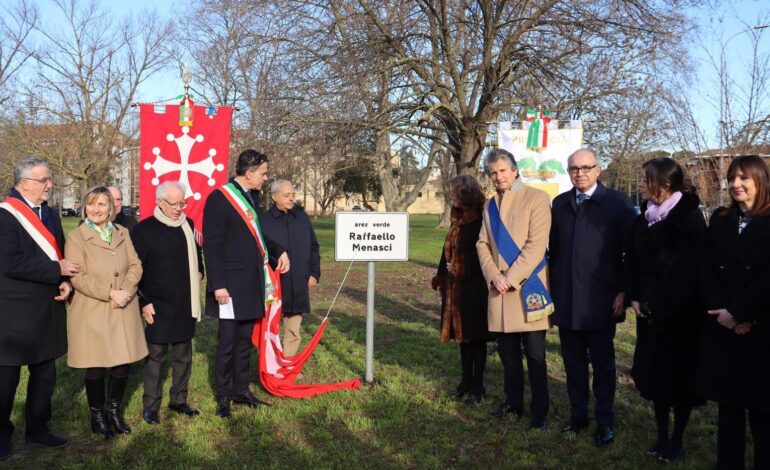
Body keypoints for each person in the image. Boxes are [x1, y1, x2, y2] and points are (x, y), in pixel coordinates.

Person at [548, 148, 635, 445]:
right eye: (574, 168)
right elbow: (554, 252)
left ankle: (605, 421)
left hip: (601, 301)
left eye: (586, 167)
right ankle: (578, 417)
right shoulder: (559, 204)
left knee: (603, 366)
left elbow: (631, 253)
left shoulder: (618, 204)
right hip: (567, 300)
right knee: (572, 365)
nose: (580, 173)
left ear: (599, 170)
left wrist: (624, 290)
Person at [627, 158, 706, 463]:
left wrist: (659, 306)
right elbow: (632, 262)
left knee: (679, 382)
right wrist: (636, 298)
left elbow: (689, 273)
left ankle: (677, 439)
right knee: (657, 380)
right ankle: (661, 437)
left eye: (646, 179)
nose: (641, 185)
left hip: (680, 318)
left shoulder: (689, 220)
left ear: (664, 185)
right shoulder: (644, 219)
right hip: (648, 316)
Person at [0, 158, 78, 459]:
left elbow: (57, 253)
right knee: (6, 379)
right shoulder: (5, 215)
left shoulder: (51, 213)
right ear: (24, 183)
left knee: (45, 374)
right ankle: (2, 432)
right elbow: (9, 262)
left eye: (50, 179)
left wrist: (64, 281)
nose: (50, 184)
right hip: (13, 310)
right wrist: (54, 269)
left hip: (47, 305)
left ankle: (38, 429)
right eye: (44, 179)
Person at [203, 149, 289, 418]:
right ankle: (223, 395)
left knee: (243, 342)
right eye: (263, 173)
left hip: (252, 283)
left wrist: (279, 251)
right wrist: (217, 284)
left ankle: (242, 390)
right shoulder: (220, 198)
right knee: (227, 343)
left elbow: (259, 236)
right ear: (249, 173)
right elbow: (213, 245)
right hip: (229, 286)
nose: (265, 178)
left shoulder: (252, 197)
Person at [700, 155, 770, 469]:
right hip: (725, 326)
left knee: (762, 410)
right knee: (729, 409)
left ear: (761, 181)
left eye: (743, 178)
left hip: (762, 328)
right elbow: (707, 268)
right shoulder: (721, 218)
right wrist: (724, 313)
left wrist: (742, 313)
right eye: (731, 178)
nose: (735, 184)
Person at [476, 149, 552, 430]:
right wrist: (494, 275)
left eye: (502, 171)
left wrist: (511, 277)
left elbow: (536, 245)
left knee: (535, 356)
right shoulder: (489, 206)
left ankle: (540, 410)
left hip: (527, 288)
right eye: (493, 172)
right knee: (508, 356)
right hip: (499, 289)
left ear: (515, 170)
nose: (498, 177)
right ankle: (513, 403)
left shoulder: (537, 198)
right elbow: (481, 244)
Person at [66, 186, 148, 438]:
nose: (96, 209)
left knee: (122, 364)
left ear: (111, 208)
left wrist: (125, 290)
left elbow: (135, 264)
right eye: (91, 204)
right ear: (85, 207)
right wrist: (110, 292)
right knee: (96, 365)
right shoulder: (77, 237)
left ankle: (114, 410)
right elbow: (78, 277)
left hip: (124, 307)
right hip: (95, 309)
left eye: (102, 204)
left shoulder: (123, 232)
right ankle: (97, 414)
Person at [131, 181, 204, 425]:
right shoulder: (144, 230)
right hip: (157, 304)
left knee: (183, 355)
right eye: (173, 203)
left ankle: (178, 400)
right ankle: (150, 405)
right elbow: (135, 270)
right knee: (156, 357)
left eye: (182, 202)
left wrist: (200, 271)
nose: (178, 208)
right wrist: (144, 301)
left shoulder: (188, 224)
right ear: (159, 202)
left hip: (185, 302)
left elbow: (196, 253)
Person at [432, 174, 491, 405]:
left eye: (455, 192)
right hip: (455, 288)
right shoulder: (457, 219)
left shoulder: (482, 218)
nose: (451, 196)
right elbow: (446, 251)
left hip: (475, 288)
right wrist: (441, 279)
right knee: (462, 338)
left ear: (466, 193)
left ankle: (478, 386)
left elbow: (485, 254)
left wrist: (460, 266)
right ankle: (465, 381)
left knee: (476, 339)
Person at [259, 179, 320, 359]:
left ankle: (287, 364)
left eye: (293, 194)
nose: (291, 198)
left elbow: (313, 246)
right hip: (273, 284)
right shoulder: (262, 220)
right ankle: (270, 363)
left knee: (294, 327)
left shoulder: (302, 218)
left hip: (299, 280)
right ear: (274, 196)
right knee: (270, 325)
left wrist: (314, 274)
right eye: (287, 195)